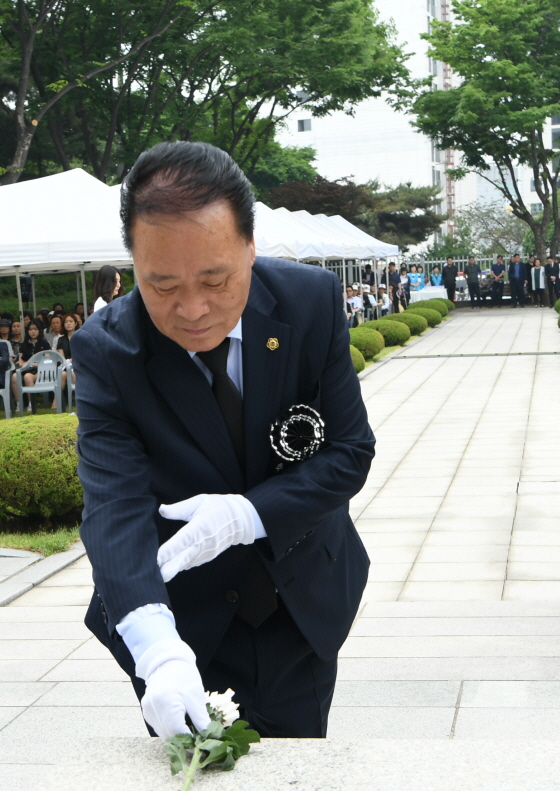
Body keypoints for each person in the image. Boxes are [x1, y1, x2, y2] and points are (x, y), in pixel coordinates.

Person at [76, 141, 374, 740]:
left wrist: (248, 515)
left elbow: (348, 452)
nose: (192, 310)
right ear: (132, 263)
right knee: (191, 788)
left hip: (297, 598)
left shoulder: (308, 304)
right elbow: (114, 507)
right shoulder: (108, 350)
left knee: (297, 780)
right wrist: (155, 647)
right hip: (177, 614)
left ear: (250, 246)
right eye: (162, 286)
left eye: (215, 279)